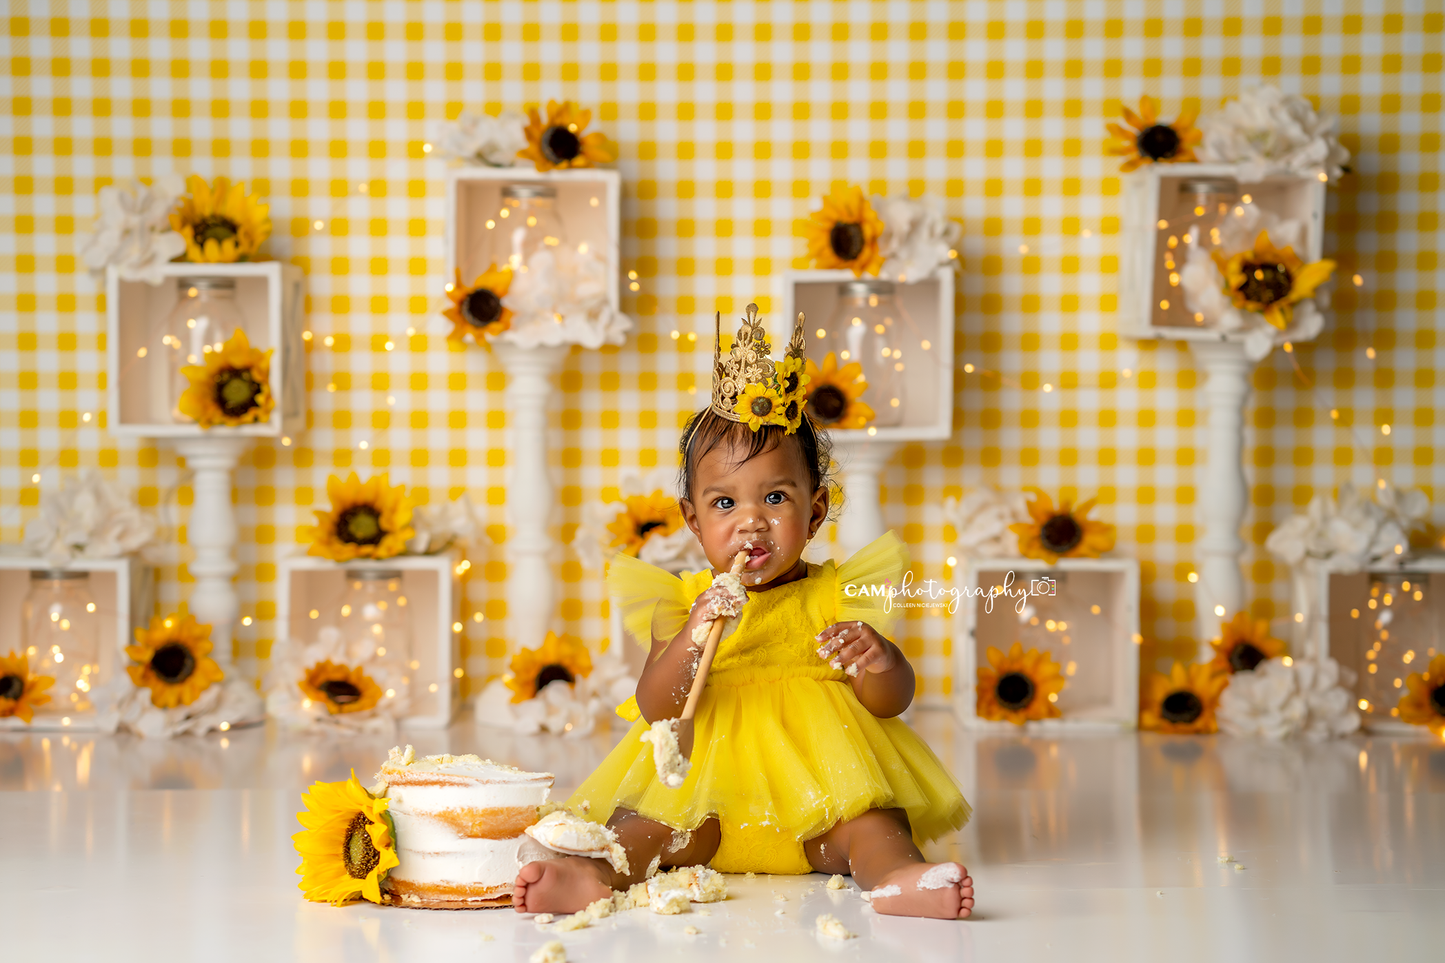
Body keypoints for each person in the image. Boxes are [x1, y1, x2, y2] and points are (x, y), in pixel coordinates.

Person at [514, 305, 973, 919]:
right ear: (692, 520)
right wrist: (696, 634)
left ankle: (894, 878)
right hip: (705, 801)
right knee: (642, 824)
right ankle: (592, 874)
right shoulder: (681, 604)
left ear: (815, 513)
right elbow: (657, 707)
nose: (750, 521)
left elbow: (890, 703)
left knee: (873, 823)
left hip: (821, 798)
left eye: (776, 497)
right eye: (725, 501)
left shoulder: (839, 595)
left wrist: (880, 659)